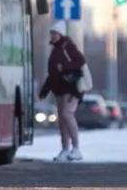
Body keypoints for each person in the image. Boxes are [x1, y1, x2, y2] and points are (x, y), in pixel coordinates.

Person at [38, 21, 86, 162]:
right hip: (59, 91)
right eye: (51, 33)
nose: (52, 36)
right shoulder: (55, 51)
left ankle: (76, 148)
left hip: (71, 90)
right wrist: (44, 91)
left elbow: (80, 61)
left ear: (61, 34)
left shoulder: (68, 46)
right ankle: (65, 149)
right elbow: (52, 74)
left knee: (67, 114)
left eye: (55, 33)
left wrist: (64, 66)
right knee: (62, 121)